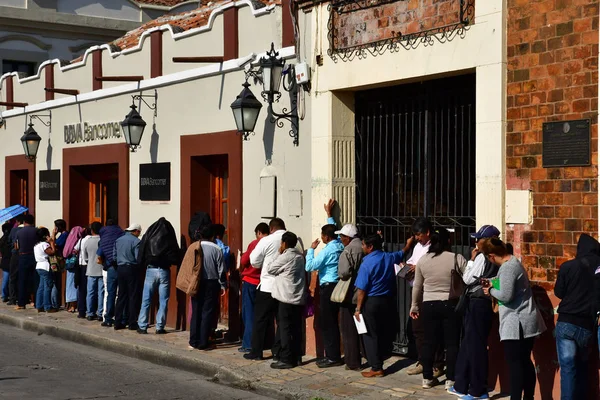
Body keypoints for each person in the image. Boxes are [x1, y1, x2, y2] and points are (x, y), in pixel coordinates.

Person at [481, 238, 546, 400]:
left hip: (517, 324)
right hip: (524, 321)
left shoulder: (508, 268)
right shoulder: (514, 263)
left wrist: (490, 291)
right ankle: (528, 397)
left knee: (515, 365)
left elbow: (506, 295)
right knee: (524, 362)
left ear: (491, 256)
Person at [410, 228, 466, 390]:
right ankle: (451, 378)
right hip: (450, 304)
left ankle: (427, 377)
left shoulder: (423, 260)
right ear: (448, 241)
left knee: (428, 342)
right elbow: (469, 277)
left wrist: (414, 305)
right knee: (452, 343)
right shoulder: (456, 258)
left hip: (428, 304)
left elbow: (417, 286)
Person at [449, 225, 501, 398]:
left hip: (478, 302)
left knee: (475, 346)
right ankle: (461, 384)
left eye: (478, 238)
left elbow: (467, 278)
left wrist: (471, 261)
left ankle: (478, 389)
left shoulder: (482, 257)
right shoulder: (499, 257)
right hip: (487, 301)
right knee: (469, 344)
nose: (476, 241)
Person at [355, 233, 413, 378]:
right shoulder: (388, 257)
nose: (362, 247)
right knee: (382, 332)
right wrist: (408, 244)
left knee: (370, 334)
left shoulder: (366, 263)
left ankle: (376, 367)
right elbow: (402, 252)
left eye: (363, 245)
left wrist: (358, 308)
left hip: (372, 301)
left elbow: (361, 289)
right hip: (387, 300)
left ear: (370, 247)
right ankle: (382, 357)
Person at [554, 233, 599, 400]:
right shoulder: (598, 268)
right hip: (587, 324)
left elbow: (559, 293)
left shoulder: (568, 266)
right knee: (582, 368)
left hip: (566, 322)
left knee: (568, 369)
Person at [244, 218, 287, 361]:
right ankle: (278, 352)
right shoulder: (293, 239)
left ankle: (256, 352)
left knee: (260, 320)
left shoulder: (267, 240)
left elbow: (254, 261)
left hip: (268, 285)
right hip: (285, 287)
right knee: (282, 320)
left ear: (271, 228)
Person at [305, 223, 345, 368]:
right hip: (338, 286)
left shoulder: (327, 250)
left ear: (326, 237)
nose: (321, 237)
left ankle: (332, 357)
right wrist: (329, 216)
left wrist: (311, 250)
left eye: (322, 235)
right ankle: (333, 355)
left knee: (328, 323)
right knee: (333, 321)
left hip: (328, 288)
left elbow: (310, 266)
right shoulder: (340, 245)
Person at [268, 231, 306, 369]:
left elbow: (270, 269)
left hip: (285, 297)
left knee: (285, 329)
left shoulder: (286, 256)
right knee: (296, 328)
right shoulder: (300, 257)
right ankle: (297, 356)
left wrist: (279, 253)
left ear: (284, 244)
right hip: (297, 296)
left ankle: (286, 358)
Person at [137, 217, 180, 334]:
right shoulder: (169, 237)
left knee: (146, 299)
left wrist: (140, 265)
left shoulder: (150, 235)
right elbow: (176, 255)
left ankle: (142, 325)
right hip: (165, 271)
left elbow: (141, 251)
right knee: (164, 300)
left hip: (151, 269)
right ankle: (160, 326)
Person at [189, 225, 227, 350]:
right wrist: (223, 285)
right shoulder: (217, 249)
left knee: (196, 310)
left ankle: (193, 339)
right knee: (207, 312)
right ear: (213, 236)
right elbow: (221, 270)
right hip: (211, 283)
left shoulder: (194, 246)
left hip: (196, 282)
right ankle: (203, 341)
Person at [336, 223, 364, 371]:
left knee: (349, 329)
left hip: (351, 295)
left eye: (341, 236)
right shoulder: (365, 246)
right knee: (363, 328)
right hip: (365, 293)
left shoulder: (348, 250)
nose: (340, 239)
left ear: (347, 237)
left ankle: (353, 361)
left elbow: (343, 272)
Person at [238, 222, 270, 353]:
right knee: (261, 315)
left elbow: (244, 261)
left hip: (250, 281)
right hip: (263, 283)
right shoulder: (273, 243)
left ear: (259, 232)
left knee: (249, 314)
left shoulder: (255, 243)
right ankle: (262, 342)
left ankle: (248, 344)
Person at [113, 223, 142, 331]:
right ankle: (132, 322)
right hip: (131, 268)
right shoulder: (136, 241)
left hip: (120, 268)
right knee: (132, 296)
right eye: (139, 232)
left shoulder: (118, 240)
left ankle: (117, 321)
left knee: (121, 295)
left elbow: (114, 256)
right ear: (135, 231)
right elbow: (137, 257)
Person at [97, 219, 124, 327]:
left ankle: (108, 318)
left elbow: (99, 254)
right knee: (122, 294)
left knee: (110, 293)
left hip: (110, 267)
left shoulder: (103, 237)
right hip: (121, 266)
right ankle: (121, 318)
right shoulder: (120, 233)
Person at [83, 222, 104, 321]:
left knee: (90, 292)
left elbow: (85, 257)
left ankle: (90, 313)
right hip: (101, 269)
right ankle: (100, 313)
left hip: (90, 269)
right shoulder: (102, 240)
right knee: (101, 292)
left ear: (92, 230)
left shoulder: (87, 241)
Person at [15, 214, 38, 310]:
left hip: (23, 256)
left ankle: (21, 303)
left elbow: (17, 246)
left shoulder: (19, 232)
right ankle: (36, 302)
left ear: (24, 222)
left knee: (22, 280)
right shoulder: (36, 231)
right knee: (35, 280)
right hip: (34, 256)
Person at [34, 227, 58, 313]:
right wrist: (51, 242)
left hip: (39, 266)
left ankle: (39, 305)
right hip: (45, 266)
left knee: (41, 287)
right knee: (47, 286)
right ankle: (47, 306)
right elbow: (52, 252)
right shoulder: (44, 245)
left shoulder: (37, 245)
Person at [53, 219, 72, 311]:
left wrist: (53, 235)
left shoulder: (64, 235)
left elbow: (55, 245)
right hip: (61, 259)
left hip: (61, 260)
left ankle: (58, 302)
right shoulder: (63, 235)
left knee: (58, 281)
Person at [7, 215, 24, 305]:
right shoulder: (32, 229)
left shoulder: (14, 230)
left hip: (15, 254)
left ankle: (13, 298)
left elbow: (9, 240)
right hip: (26, 254)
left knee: (12, 277)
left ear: (17, 221)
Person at [0, 222, 13, 302]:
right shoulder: (10, 240)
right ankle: (8, 294)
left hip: (4, 261)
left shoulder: (2, 239)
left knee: (5, 278)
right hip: (10, 260)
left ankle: (4, 295)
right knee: (10, 279)